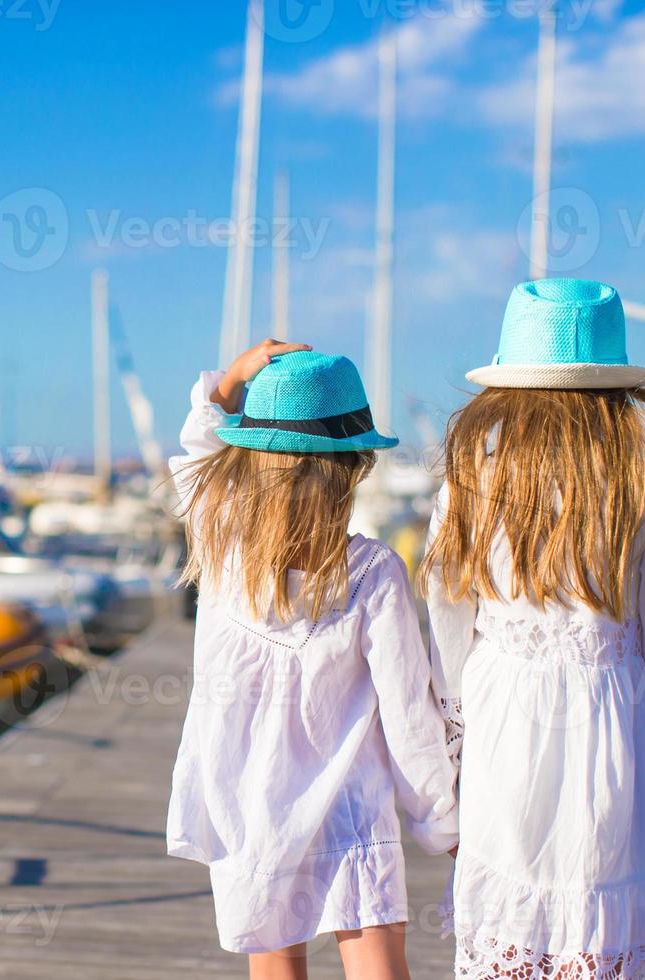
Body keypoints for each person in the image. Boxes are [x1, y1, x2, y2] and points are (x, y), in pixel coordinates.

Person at [421, 278, 645, 978]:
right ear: (614, 393)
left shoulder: (470, 479)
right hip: (614, 728)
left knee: (516, 915)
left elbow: (448, 630)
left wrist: (451, 764)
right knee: (607, 914)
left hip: (505, 724)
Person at [166, 340, 460, 980]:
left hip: (248, 802)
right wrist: (442, 822)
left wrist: (232, 380)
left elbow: (196, 454)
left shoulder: (217, 540)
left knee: (275, 966)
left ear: (249, 458)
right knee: (377, 963)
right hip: (353, 806)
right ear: (356, 466)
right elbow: (410, 718)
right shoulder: (371, 573)